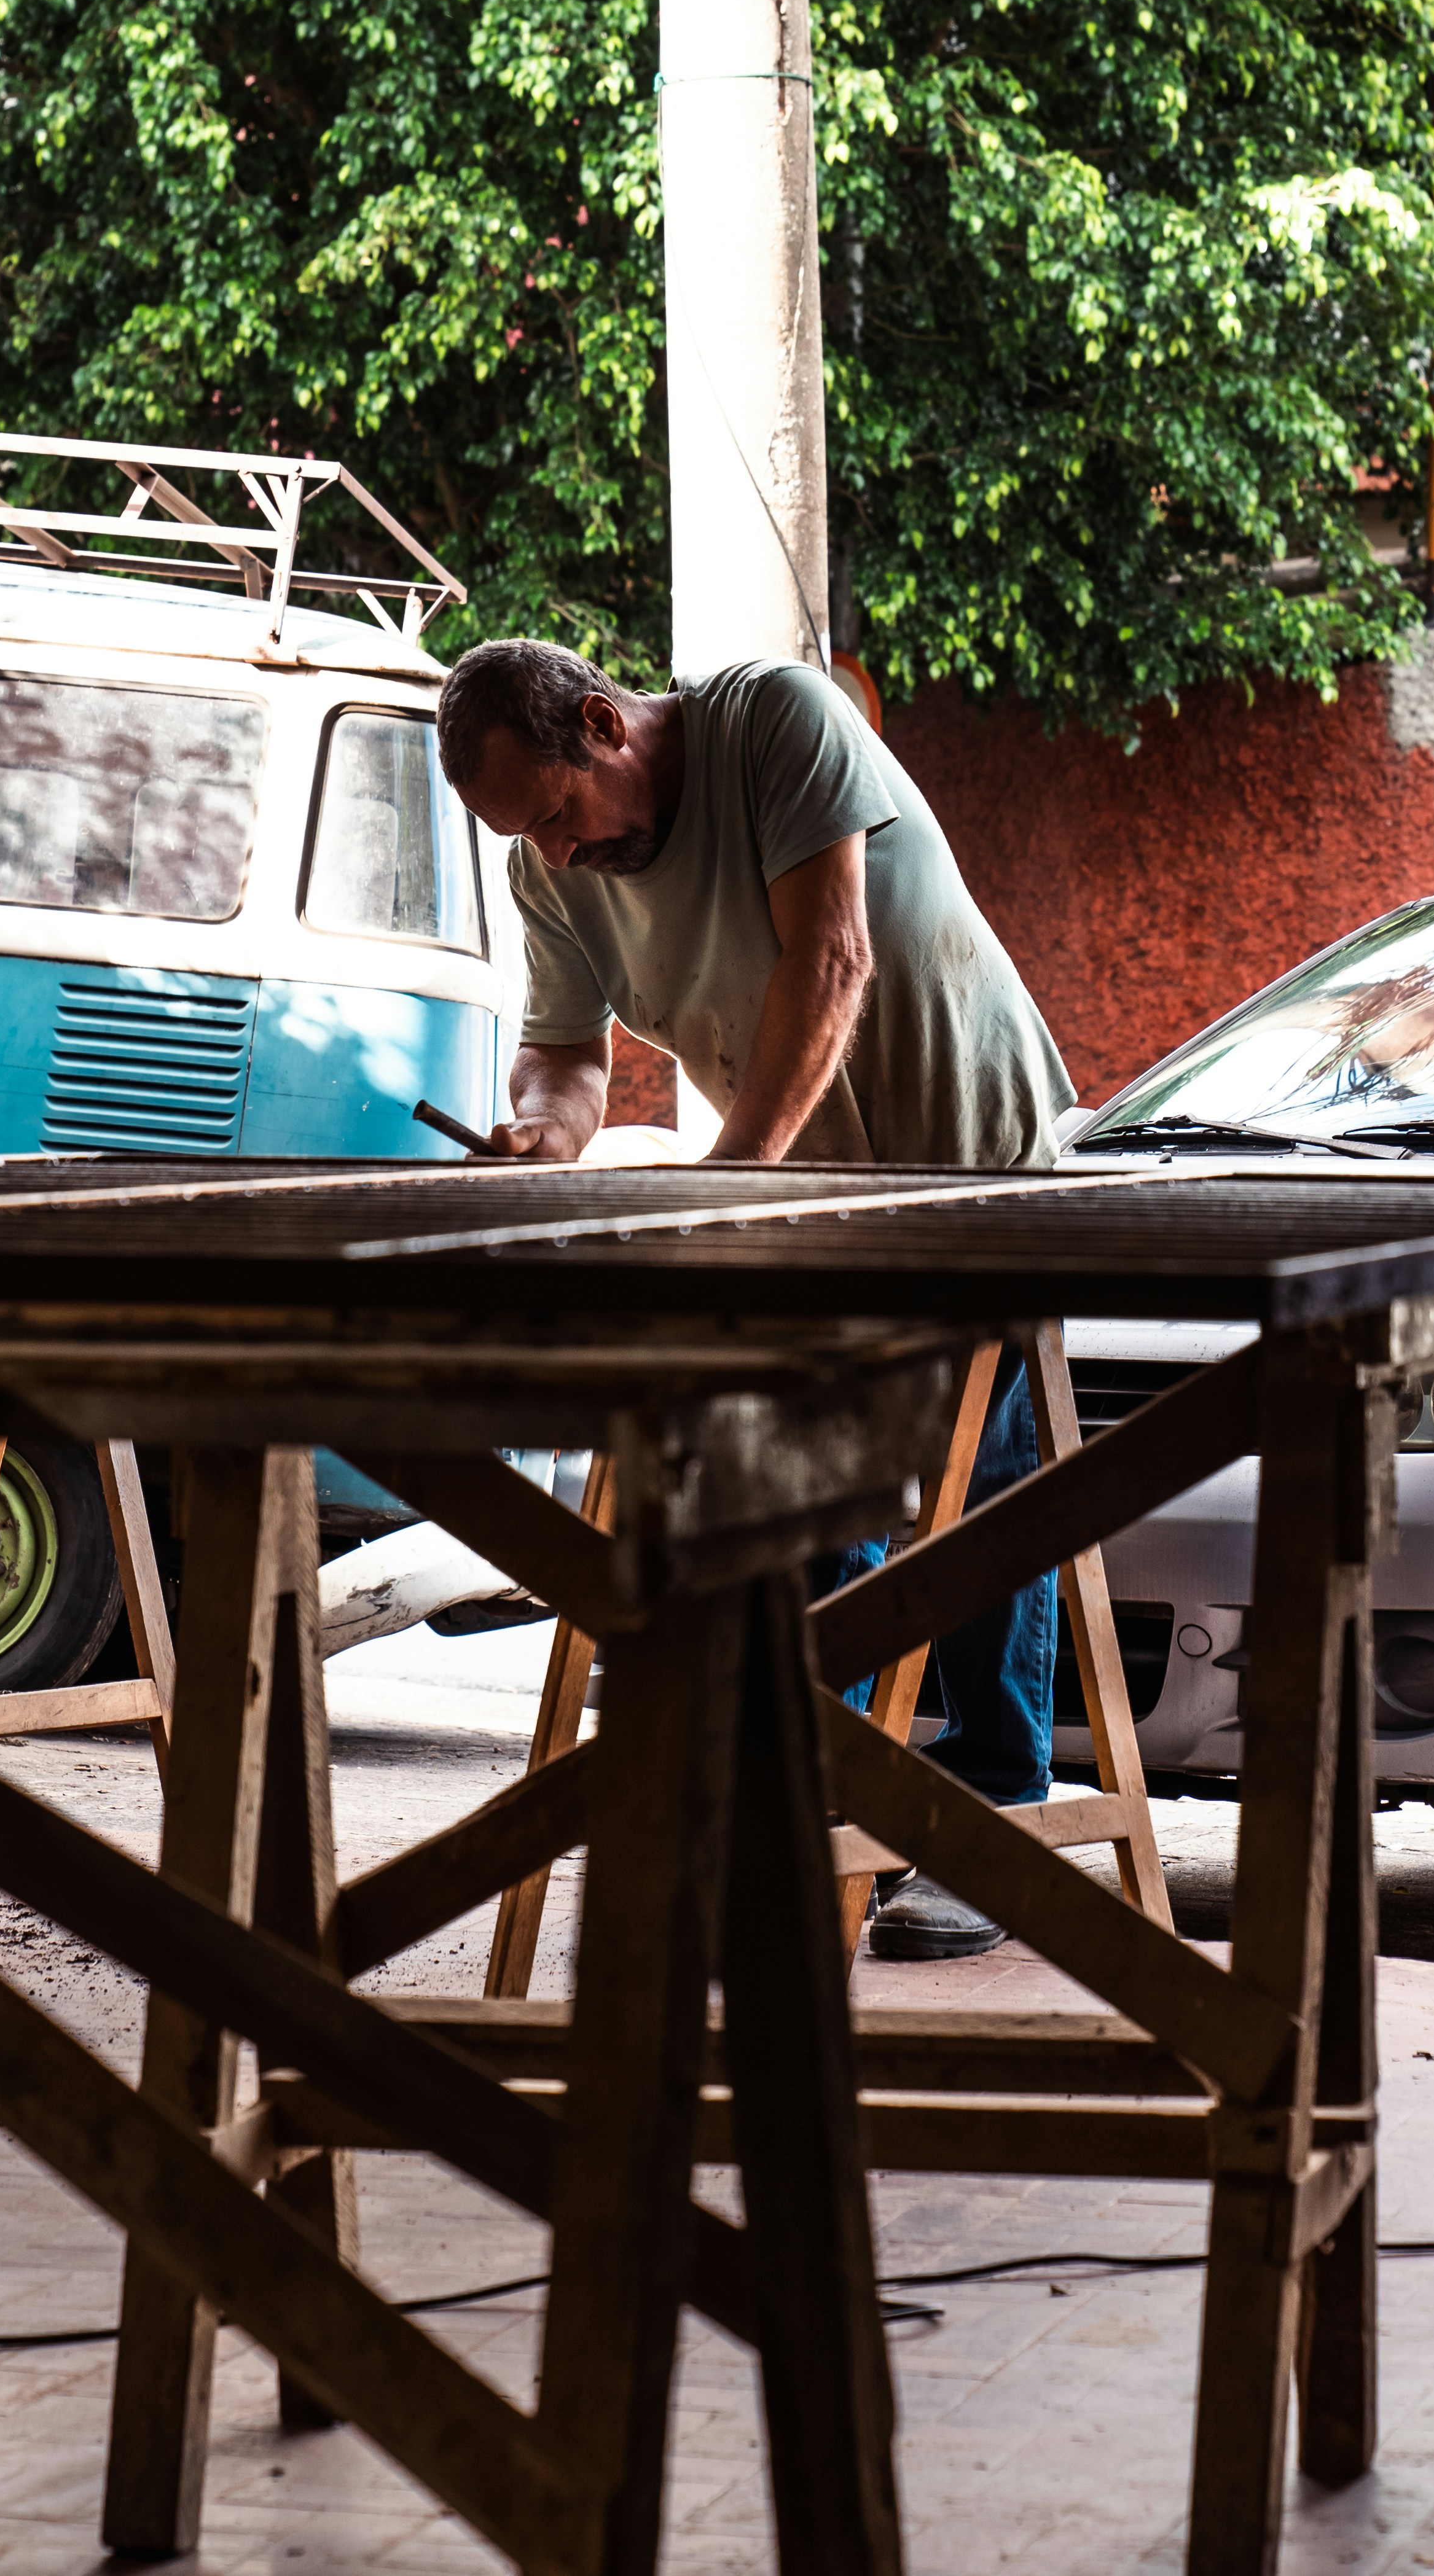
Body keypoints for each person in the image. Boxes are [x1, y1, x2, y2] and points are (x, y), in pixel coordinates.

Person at [434, 635, 1077, 1961]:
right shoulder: (545, 873)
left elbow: (829, 960)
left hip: (973, 1159)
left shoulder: (771, 722)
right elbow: (560, 1061)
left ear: (604, 728)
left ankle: (993, 1820)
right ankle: (810, 1797)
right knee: (800, 1489)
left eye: (557, 815)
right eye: (526, 837)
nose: (555, 855)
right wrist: (539, 1139)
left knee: (972, 1482)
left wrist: (728, 1182)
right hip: (802, 1189)